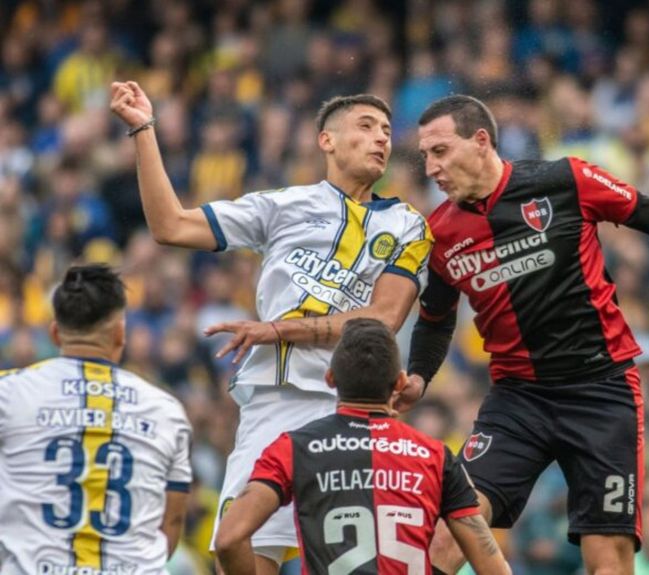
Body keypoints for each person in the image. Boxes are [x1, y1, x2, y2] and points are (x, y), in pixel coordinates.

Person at [405, 94, 649, 574]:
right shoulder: (440, 233)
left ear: (481, 140)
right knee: (450, 531)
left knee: (607, 562)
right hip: (518, 400)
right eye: (425, 156)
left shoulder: (563, 180)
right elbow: (435, 317)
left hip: (602, 392)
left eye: (440, 151)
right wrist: (420, 376)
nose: (431, 168)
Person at [110, 82, 432, 574]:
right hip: (272, 405)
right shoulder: (284, 206)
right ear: (326, 140)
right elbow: (170, 226)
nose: (381, 138)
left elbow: (384, 318)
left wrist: (278, 331)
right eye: (366, 127)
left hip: (349, 408)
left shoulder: (409, 226)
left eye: (387, 131)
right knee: (236, 551)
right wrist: (144, 130)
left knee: (353, 565)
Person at [215, 318, 510, 575]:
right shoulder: (436, 456)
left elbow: (229, 539)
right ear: (400, 382)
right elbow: (493, 567)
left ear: (330, 378)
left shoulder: (293, 448)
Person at [0, 264, 192, 574]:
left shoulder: (9, 392)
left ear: (54, 333)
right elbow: (171, 524)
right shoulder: (166, 410)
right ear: (120, 333)